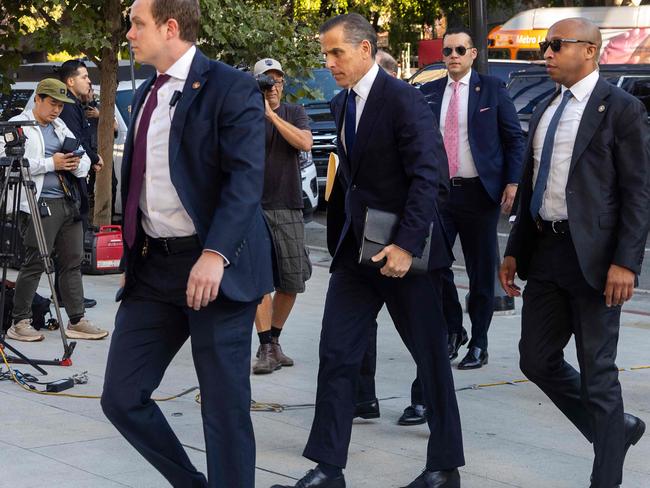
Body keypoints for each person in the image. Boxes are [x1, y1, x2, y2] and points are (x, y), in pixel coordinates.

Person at [272, 14, 464, 488]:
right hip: (355, 256)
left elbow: (429, 178)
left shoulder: (404, 100)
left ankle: (444, 467)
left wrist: (406, 244)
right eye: (325, 53)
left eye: (336, 52)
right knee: (337, 354)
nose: (329, 62)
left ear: (364, 49)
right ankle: (328, 468)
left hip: (405, 258)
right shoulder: (341, 103)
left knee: (430, 358)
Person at [99, 0, 273, 487]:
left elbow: (245, 180)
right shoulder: (145, 95)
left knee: (223, 410)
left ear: (170, 26)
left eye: (137, 23)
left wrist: (215, 255)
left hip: (215, 269)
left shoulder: (229, 86)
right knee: (122, 396)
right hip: (155, 270)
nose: (128, 33)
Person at [499, 18, 649, 488]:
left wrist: (626, 261)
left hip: (597, 261)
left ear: (589, 51)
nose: (545, 53)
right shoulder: (545, 108)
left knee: (598, 373)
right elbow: (532, 188)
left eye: (555, 45)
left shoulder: (620, 108)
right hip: (544, 251)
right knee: (535, 359)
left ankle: (605, 479)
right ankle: (613, 431)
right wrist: (513, 251)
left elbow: (638, 192)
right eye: (545, 45)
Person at [420, 27, 525, 371]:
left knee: (481, 274)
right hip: (439, 194)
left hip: (480, 193)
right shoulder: (431, 92)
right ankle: (454, 327)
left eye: (459, 50)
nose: (452, 55)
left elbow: (513, 139)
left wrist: (512, 182)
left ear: (473, 54)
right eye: (447, 50)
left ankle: (479, 342)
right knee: (432, 265)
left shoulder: (492, 89)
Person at [1, 78, 108, 342]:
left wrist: (74, 164)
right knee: (35, 261)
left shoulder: (60, 126)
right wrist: (53, 163)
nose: (56, 110)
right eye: (52, 103)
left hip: (67, 200)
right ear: (38, 99)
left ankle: (76, 319)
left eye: (60, 105)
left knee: (72, 261)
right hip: (37, 202)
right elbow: (10, 161)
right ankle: (21, 320)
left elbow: (81, 160)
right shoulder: (18, 125)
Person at [251, 57, 313, 375]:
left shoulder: (293, 112)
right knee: (260, 280)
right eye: (266, 80)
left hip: (287, 204)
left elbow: (304, 142)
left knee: (292, 280)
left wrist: (271, 117)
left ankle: (274, 341)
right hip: (253, 208)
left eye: (277, 80)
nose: (272, 86)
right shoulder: (245, 114)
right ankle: (264, 346)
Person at [58, 59, 104, 309]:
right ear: (70, 81)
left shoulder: (76, 105)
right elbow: (76, 140)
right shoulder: (68, 107)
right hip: (69, 182)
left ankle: (69, 294)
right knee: (69, 246)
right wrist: (94, 158)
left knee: (71, 245)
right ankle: (68, 296)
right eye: (85, 76)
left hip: (76, 178)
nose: (89, 81)